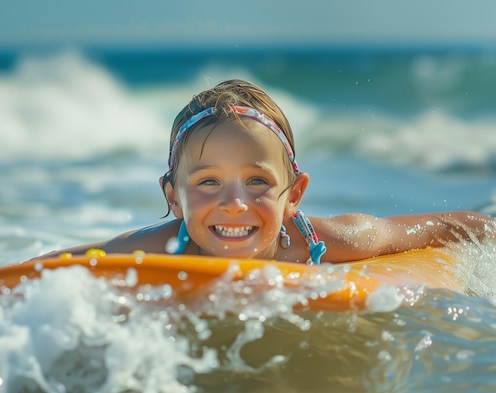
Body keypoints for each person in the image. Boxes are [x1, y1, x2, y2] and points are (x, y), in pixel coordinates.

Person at [38, 79, 495, 264]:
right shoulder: (155, 249)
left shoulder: (324, 241)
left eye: (257, 181)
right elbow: (57, 268)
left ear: (294, 194)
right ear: (173, 196)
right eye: (207, 182)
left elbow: (434, 228)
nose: (234, 203)